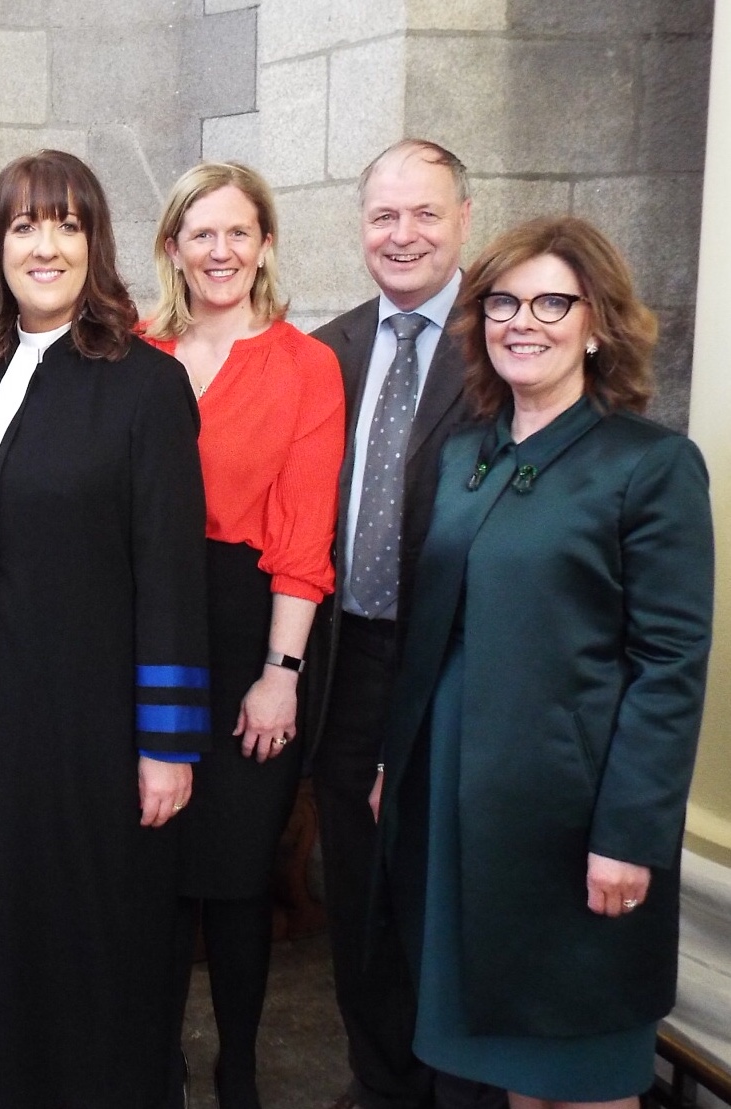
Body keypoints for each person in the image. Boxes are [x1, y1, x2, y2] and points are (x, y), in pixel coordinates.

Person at [375, 215, 713, 1109]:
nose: (522, 321)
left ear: (596, 321)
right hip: (457, 803)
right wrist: (393, 761)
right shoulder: (463, 458)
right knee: (501, 1058)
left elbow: (671, 662)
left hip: (575, 822)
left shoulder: (650, 464)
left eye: (551, 301)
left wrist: (628, 836)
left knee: (582, 1064)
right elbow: (430, 629)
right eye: (503, 302)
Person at [0, 149, 211, 1109]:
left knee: (95, 945)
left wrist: (166, 745)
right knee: (4, 937)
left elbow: (175, 577)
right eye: (22, 226)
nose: (43, 246)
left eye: (65, 224)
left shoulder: (143, 384)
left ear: (95, 245)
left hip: (92, 734)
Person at [141, 161, 344, 1109]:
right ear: (171, 247)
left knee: (230, 872)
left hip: (247, 625)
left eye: (237, 232)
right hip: (139, 626)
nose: (218, 251)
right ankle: (154, 1059)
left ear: (264, 244)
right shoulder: (131, 351)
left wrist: (281, 671)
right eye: (199, 233)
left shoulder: (306, 366)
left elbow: (303, 537)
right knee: (148, 860)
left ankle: (241, 1066)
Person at [308, 139, 490, 1109]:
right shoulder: (326, 350)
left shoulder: (501, 343)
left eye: (424, 213)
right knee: (357, 904)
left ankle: (445, 1089)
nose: (403, 233)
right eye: (384, 215)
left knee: (438, 901)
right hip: (344, 665)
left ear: (465, 217)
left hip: (454, 669)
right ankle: (376, 1082)